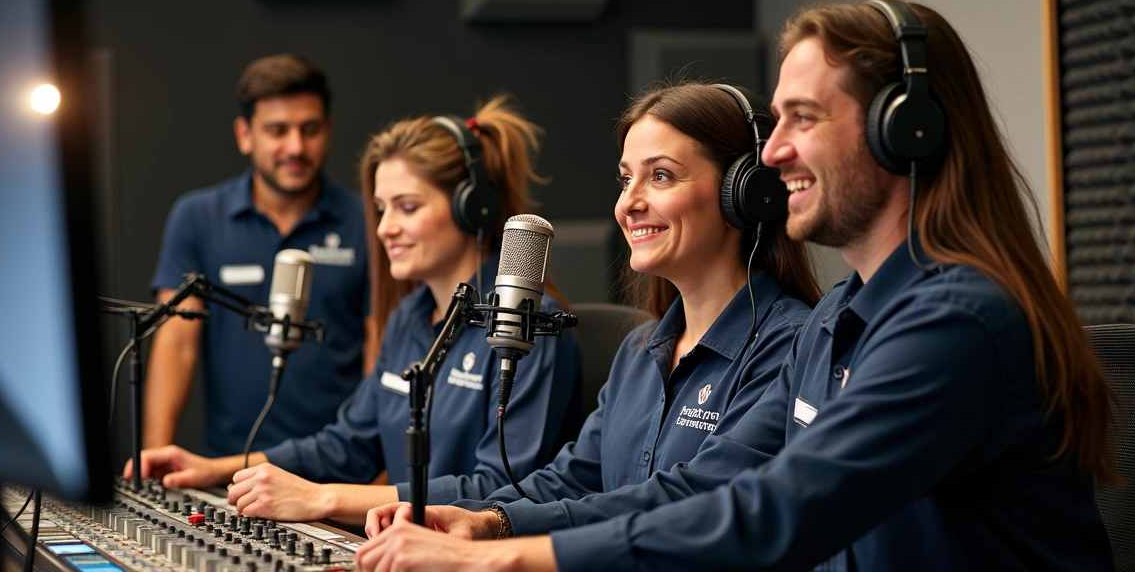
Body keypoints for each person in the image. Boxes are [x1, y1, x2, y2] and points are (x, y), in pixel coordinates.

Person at [353, 0, 1117, 571]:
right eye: (774, 122)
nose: (775, 153)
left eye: (803, 118)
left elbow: (781, 511)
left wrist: (504, 560)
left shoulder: (956, 323)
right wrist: (493, 525)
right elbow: (700, 492)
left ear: (903, 127)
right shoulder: (839, 320)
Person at [366, 81, 821, 527]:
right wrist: (473, 516)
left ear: (744, 194)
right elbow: (574, 477)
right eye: (626, 179)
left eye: (660, 175)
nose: (628, 204)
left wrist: (497, 525)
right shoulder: (641, 349)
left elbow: (687, 502)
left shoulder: (793, 347)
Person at [130, 96, 585, 525]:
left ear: (472, 209)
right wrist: (213, 469)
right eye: (381, 208)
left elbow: (499, 488)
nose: (386, 229)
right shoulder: (411, 316)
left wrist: (322, 499)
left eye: (407, 208)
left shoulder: (532, 332)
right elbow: (347, 445)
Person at [143, 54, 374, 458]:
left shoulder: (369, 221)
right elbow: (177, 342)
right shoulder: (198, 216)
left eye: (310, 129)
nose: (296, 147)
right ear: (245, 134)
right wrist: (155, 457)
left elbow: (380, 344)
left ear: (329, 132)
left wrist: (377, 464)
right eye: (277, 130)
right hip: (226, 474)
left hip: (335, 475)